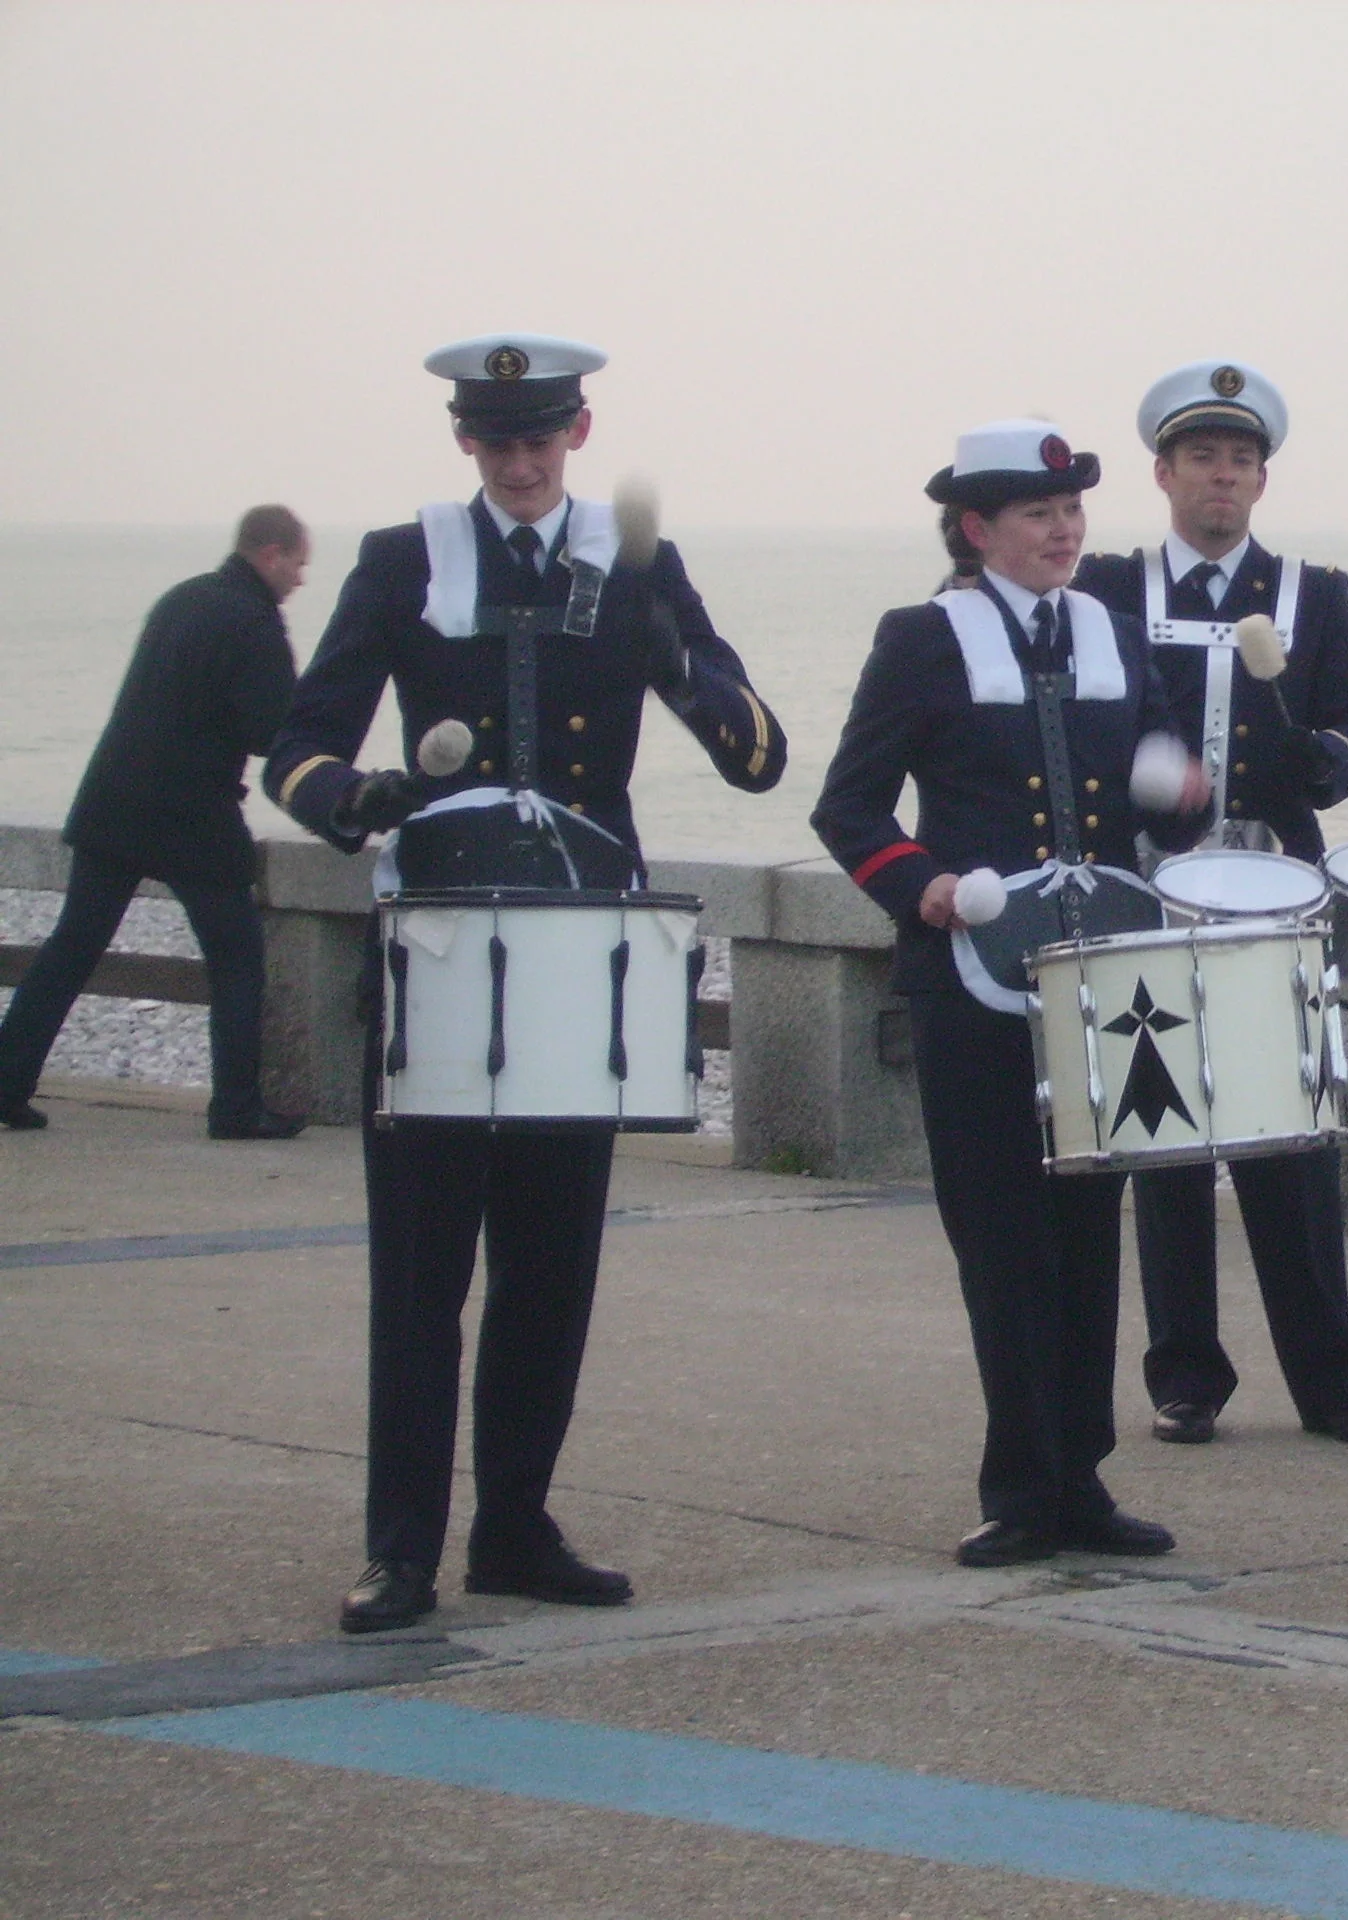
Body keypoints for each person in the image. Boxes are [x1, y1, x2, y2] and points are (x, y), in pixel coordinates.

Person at [263, 334, 789, 1632]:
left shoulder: (635, 563)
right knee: (422, 1273)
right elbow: (298, 742)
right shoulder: (401, 561)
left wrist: (675, 659)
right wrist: (353, 800)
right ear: (465, 444)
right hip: (438, 942)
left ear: (580, 433)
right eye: (495, 442)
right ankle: (400, 1551)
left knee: (551, 1266)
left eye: (539, 438)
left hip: (576, 947)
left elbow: (758, 758)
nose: (518, 462)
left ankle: (514, 1529)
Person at [812, 419, 1207, 1567]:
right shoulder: (921, 639)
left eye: (1073, 511)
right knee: (1000, 1242)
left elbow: (1158, 798)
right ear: (977, 530)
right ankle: (1018, 1485)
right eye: (1038, 515)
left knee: (1087, 1236)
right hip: (971, 987)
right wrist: (921, 887)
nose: (1064, 530)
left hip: (1102, 986)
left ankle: (1079, 1482)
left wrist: (1183, 790)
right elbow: (847, 810)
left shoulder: (1115, 635)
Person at [1075, 360, 1348, 1451]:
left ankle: (1330, 1383)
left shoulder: (1315, 592)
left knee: (1294, 1140)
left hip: (1277, 900)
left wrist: (1330, 762)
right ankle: (1184, 1379)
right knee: (1165, 1137)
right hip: (1148, 896)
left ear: (1262, 478)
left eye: (1242, 460)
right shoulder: (1110, 591)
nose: (1223, 477)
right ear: (1162, 472)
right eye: (1203, 458)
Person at [0, 509, 309, 1138]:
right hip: (192, 813)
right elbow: (268, 730)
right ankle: (236, 1108)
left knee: (71, 948)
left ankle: (6, 1083)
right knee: (236, 959)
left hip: (114, 799)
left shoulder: (181, 599)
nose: (301, 580)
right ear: (272, 555)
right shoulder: (255, 623)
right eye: (299, 565)